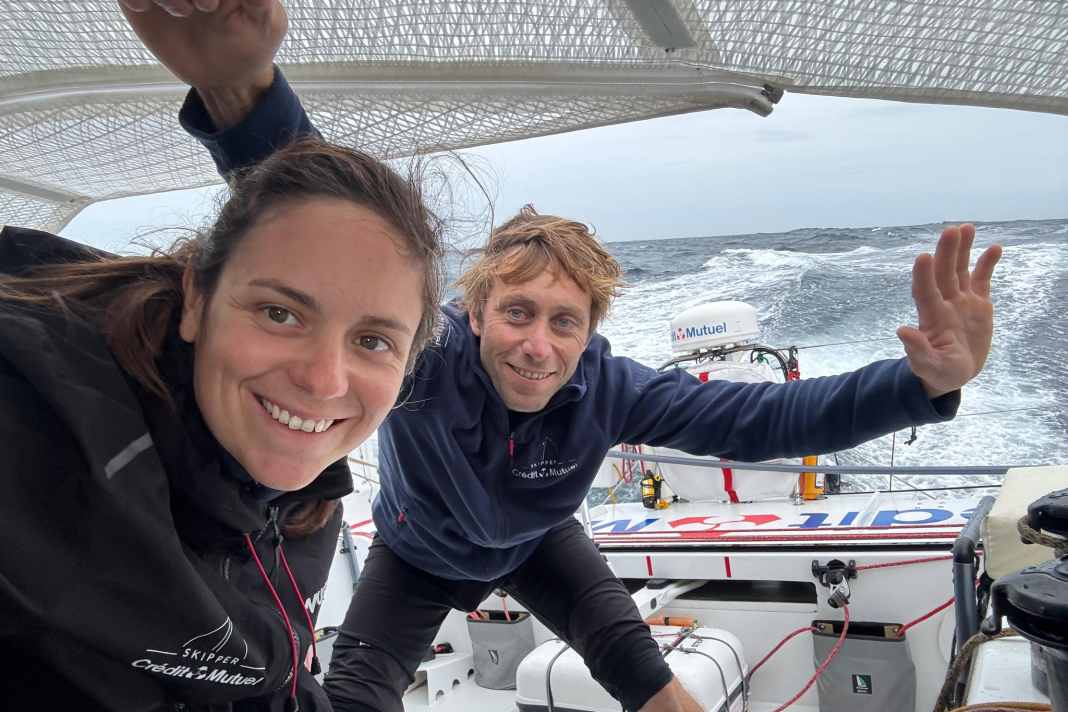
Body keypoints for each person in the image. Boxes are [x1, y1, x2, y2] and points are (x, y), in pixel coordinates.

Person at [120, 3, 1004, 711]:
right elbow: (329, 245)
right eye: (517, 313)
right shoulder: (427, 361)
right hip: (417, 552)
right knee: (355, 695)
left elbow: (765, 419)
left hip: (541, 544)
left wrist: (921, 383)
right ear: (471, 311)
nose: (539, 346)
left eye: (565, 323)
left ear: (591, 332)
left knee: (654, 686)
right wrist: (244, 92)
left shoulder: (607, 387)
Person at [0, 87, 444, 712]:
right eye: (279, 313)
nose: (324, 381)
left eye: (372, 340)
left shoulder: (299, 503)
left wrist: (252, 97)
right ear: (197, 300)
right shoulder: (36, 431)